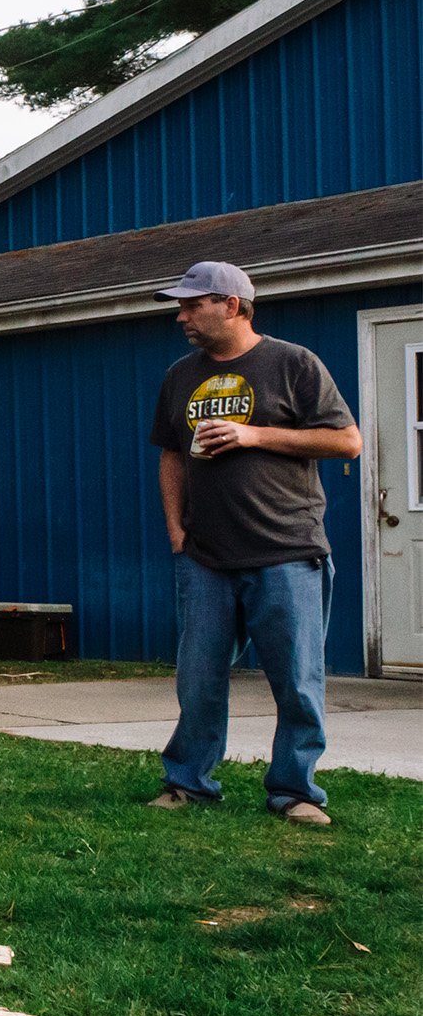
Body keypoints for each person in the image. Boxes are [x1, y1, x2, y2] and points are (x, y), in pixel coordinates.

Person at [147, 261, 359, 825]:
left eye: (194, 305)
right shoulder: (179, 376)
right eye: (181, 305)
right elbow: (171, 455)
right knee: (199, 680)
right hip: (205, 556)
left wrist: (253, 433)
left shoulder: (293, 364)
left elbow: (347, 441)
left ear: (234, 305)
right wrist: (176, 530)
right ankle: (187, 783)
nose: (181, 315)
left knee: (296, 682)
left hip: (286, 548)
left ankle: (295, 792)